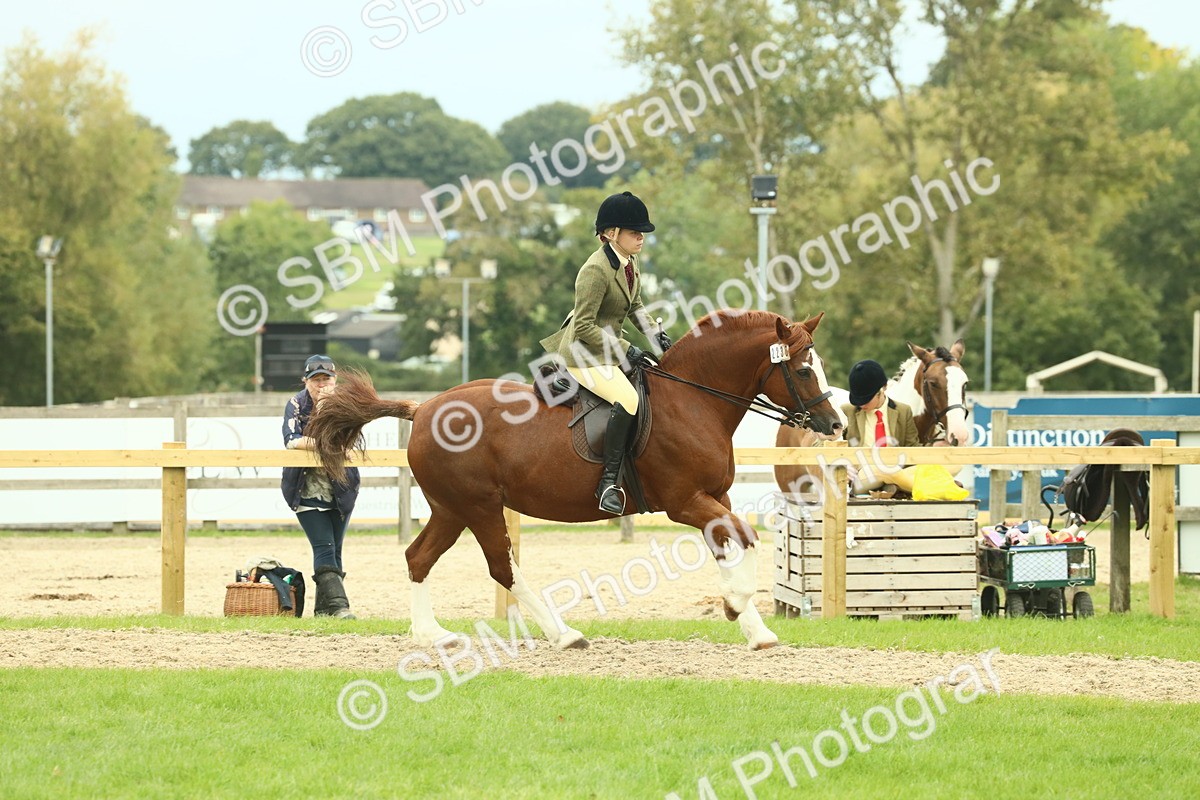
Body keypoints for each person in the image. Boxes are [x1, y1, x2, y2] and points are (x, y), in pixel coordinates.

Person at [539, 191, 672, 515]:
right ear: (611, 233)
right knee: (629, 400)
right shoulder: (595, 270)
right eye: (634, 232)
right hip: (583, 353)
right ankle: (608, 482)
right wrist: (628, 349)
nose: (641, 237)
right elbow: (584, 326)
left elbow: (636, 308)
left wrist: (658, 338)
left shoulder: (629, 263)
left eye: (642, 232)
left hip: (608, 348)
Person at [281, 354, 360, 618]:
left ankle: (323, 611)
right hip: (306, 487)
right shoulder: (295, 404)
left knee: (335, 549)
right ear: (306, 381)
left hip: (341, 488)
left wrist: (328, 408)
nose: (321, 385)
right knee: (324, 547)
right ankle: (339, 606)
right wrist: (329, 448)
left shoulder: (346, 405)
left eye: (326, 379)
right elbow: (292, 440)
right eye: (315, 380)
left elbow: (350, 441)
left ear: (335, 380)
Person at [842, 359, 920, 493]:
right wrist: (841, 465)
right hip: (861, 474)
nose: (861, 404)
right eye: (858, 399)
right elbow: (823, 443)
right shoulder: (847, 411)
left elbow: (912, 449)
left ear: (883, 389)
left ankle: (892, 487)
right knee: (886, 470)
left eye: (866, 399)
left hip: (897, 469)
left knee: (951, 465)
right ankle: (923, 488)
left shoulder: (903, 411)